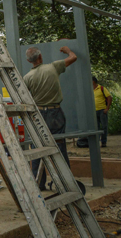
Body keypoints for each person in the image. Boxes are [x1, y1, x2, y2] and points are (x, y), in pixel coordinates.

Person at [23, 46, 77, 190]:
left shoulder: (27, 77)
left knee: (36, 148)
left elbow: (23, 99)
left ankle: (39, 183)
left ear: (29, 61)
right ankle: (65, 183)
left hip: (37, 115)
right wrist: (67, 50)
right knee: (59, 147)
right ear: (40, 57)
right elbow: (73, 58)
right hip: (55, 113)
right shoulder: (53, 67)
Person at [92, 76, 112, 148]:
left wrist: (107, 108)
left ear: (93, 81)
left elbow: (109, 97)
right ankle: (96, 143)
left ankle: (103, 142)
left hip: (102, 110)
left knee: (104, 126)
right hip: (93, 111)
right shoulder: (90, 90)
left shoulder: (101, 88)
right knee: (96, 128)